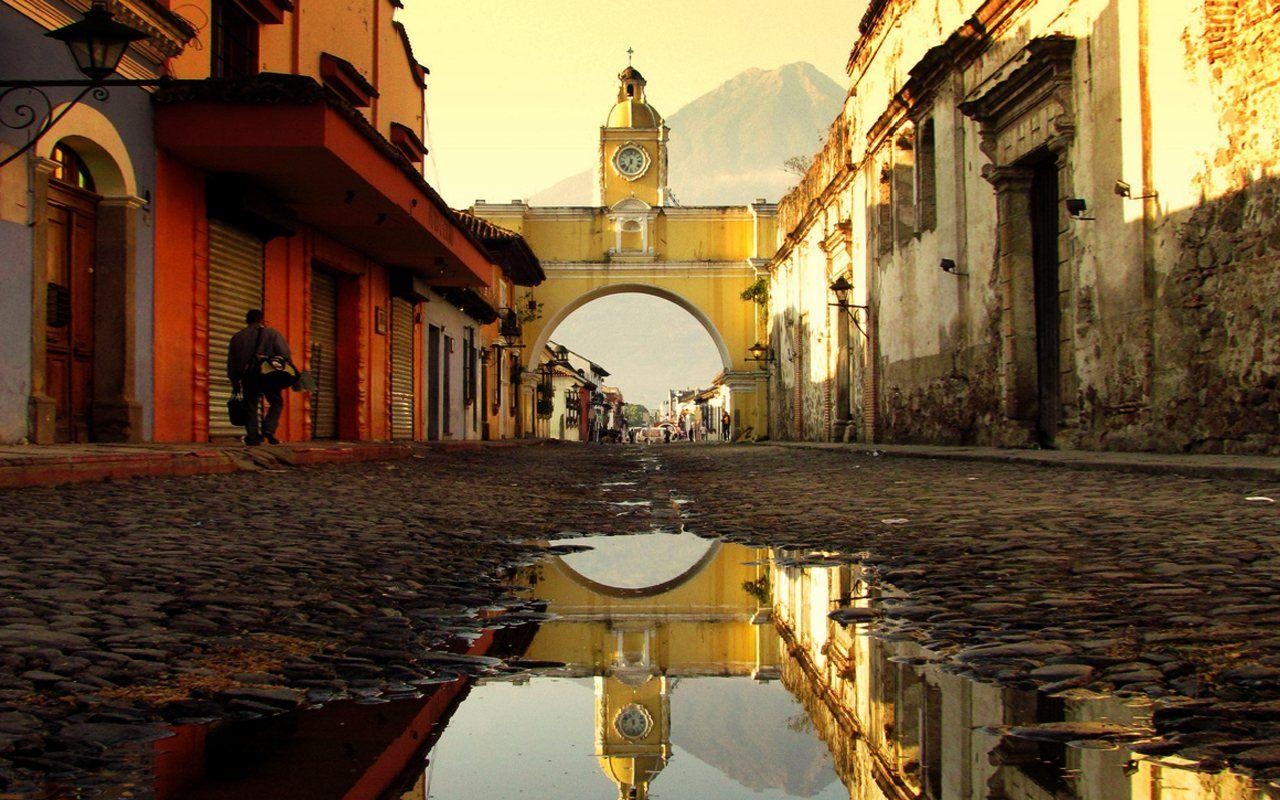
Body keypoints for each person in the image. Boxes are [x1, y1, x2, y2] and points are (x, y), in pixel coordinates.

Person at [228, 309, 293, 445]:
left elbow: (232, 363)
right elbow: (284, 354)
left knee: (250, 405)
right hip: (268, 375)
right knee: (276, 402)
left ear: (247, 320)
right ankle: (269, 429)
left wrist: (235, 382)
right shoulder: (272, 333)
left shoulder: (237, 337)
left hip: (248, 376)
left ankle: (252, 437)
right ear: (262, 320)